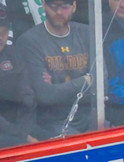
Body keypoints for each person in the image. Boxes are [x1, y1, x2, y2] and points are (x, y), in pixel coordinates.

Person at [17, 0, 95, 139]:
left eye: (65, 6)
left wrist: (58, 87)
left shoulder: (87, 33)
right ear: (44, 5)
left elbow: (102, 87)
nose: (59, 12)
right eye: (53, 6)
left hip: (90, 117)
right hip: (51, 123)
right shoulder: (29, 41)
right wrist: (84, 81)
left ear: (74, 6)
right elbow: (44, 95)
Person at [0, 8, 36, 148]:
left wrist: (25, 130)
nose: (0, 38)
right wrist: (22, 135)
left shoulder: (13, 54)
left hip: (21, 127)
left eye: (3, 32)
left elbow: (28, 95)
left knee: (55, 139)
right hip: (9, 132)